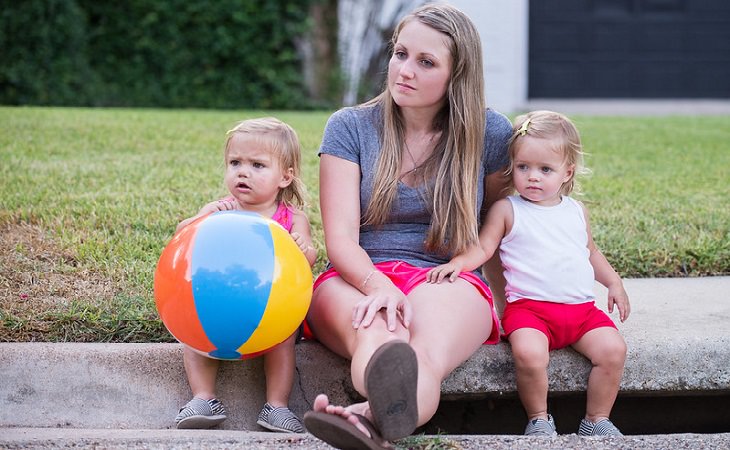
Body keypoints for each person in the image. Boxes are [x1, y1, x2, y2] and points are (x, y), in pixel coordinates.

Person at [301, 4, 513, 449]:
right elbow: (341, 239)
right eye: (400, 54)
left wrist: (507, 304)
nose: (405, 71)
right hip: (356, 275)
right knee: (378, 334)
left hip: (445, 276)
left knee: (424, 355)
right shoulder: (350, 127)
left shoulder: (489, 134)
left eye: (426, 62)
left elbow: (496, 227)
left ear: (457, 76)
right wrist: (378, 284)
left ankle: (365, 419)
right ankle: (374, 418)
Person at [427, 110, 631, 436]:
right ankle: (539, 418)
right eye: (523, 167)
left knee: (613, 351)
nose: (532, 176)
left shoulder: (576, 212)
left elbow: (590, 252)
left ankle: (596, 420)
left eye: (545, 169)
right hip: (530, 312)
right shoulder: (508, 210)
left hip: (580, 313)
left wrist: (613, 281)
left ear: (567, 172)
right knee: (529, 354)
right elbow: (483, 248)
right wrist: (458, 263)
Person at [173, 117, 316, 433]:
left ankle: (276, 406)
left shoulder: (292, 217)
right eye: (235, 162)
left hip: (271, 310)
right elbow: (182, 236)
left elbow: (308, 258)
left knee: (284, 339)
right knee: (194, 332)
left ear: (285, 176)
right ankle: (203, 397)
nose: (243, 171)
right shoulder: (222, 208)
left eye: (257, 165)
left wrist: (301, 245)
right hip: (221, 304)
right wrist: (203, 218)